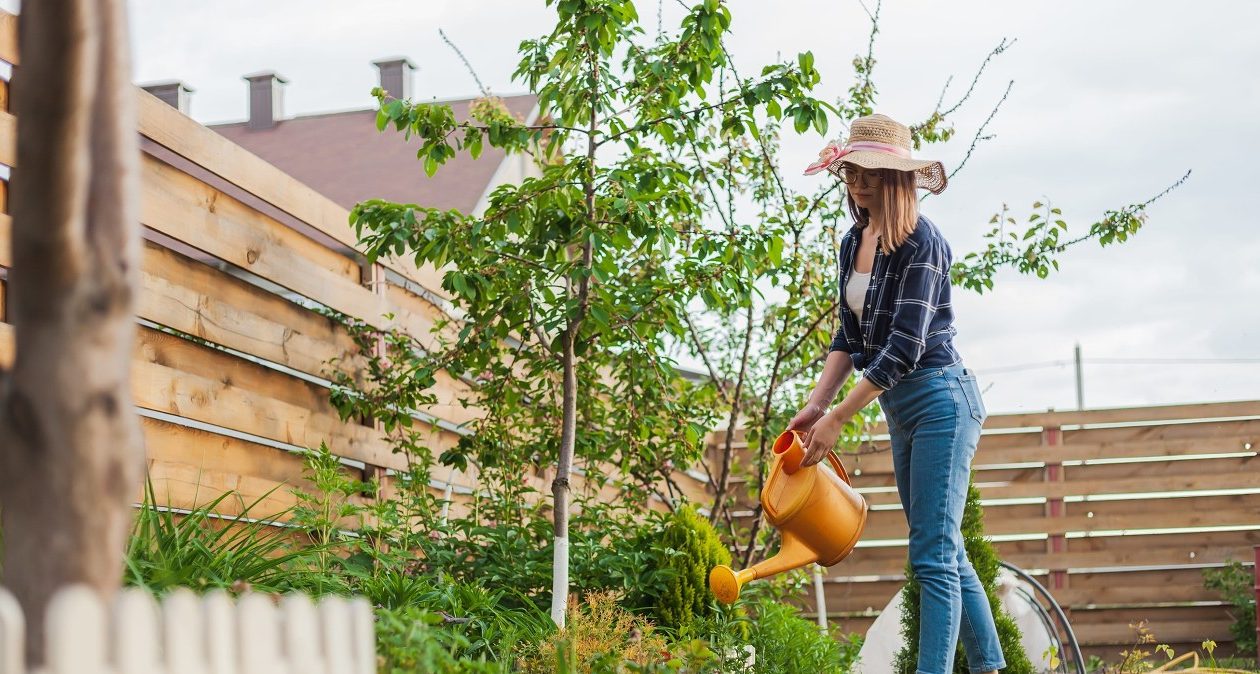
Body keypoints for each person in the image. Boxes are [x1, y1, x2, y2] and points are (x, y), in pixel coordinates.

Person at [788, 113, 1006, 674]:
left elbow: (905, 346)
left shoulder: (923, 243)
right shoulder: (853, 241)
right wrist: (816, 403)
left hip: (941, 400)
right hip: (900, 406)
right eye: (852, 173)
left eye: (871, 175)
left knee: (931, 555)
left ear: (898, 179)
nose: (857, 185)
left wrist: (837, 418)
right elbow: (849, 335)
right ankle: (990, 666)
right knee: (947, 549)